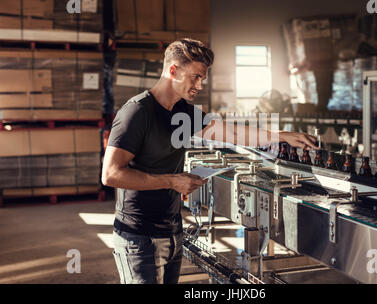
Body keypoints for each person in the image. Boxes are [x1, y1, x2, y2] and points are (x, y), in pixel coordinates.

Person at [101, 38, 318, 284]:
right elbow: (110, 174)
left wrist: (280, 136)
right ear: (173, 70)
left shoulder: (181, 111)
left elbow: (230, 133)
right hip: (139, 238)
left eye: (202, 78)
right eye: (195, 77)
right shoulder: (137, 113)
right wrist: (172, 181)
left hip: (172, 232)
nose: (200, 85)